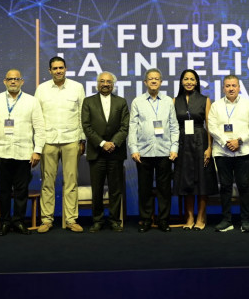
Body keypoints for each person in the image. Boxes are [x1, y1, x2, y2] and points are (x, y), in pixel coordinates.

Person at [34, 57, 86, 233]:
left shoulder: (77, 87)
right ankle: (47, 220)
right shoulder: (41, 89)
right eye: (55, 68)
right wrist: (38, 143)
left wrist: (82, 139)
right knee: (47, 182)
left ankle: (71, 219)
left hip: (71, 140)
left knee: (71, 182)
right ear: (49, 71)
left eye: (61, 68)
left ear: (66, 69)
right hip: (48, 141)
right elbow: (37, 118)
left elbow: (82, 115)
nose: (58, 71)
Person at [0, 69, 45, 236]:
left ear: (22, 82)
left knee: (21, 191)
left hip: (24, 153)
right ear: (4, 82)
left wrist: (37, 151)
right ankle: (5, 222)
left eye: (16, 79)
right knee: (4, 190)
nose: (13, 82)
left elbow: (40, 128)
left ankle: (19, 221)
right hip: (0, 151)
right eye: (10, 79)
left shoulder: (32, 101)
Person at [128, 68, 179, 232]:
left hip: (165, 151)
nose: (154, 81)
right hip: (143, 152)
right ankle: (146, 220)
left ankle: (163, 220)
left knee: (164, 189)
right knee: (145, 188)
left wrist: (174, 147)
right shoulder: (137, 101)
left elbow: (174, 126)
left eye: (157, 79)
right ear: (145, 82)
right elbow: (133, 127)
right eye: (151, 79)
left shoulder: (168, 102)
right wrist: (134, 148)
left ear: (161, 82)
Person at [208, 75, 249, 233]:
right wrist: (226, 142)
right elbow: (212, 127)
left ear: (239, 87)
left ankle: (246, 221)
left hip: (244, 152)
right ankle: (226, 220)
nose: (231, 88)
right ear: (223, 88)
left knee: (244, 186)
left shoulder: (248, 105)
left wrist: (239, 140)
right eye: (228, 86)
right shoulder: (216, 106)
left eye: (234, 85)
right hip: (222, 152)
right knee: (225, 187)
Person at [81, 72, 130, 232]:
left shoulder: (121, 102)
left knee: (116, 189)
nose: (105, 84)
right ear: (97, 84)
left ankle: (115, 220)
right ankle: (98, 221)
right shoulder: (88, 102)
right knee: (97, 189)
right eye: (102, 81)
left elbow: (124, 126)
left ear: (113, 84)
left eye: (109, 81)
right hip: (96, 152)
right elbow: (86, 126)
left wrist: (113, 143)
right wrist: (102, 143)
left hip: (116, 152)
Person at [173, 69, 215, 231]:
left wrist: (209, 148)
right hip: (182, 143)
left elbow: (209, 126)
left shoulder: (205, 100)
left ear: (196, 82)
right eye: (186, 79)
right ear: (182, 82)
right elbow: (172, 125)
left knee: (202, 181)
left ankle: (200, 217)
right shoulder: (175, 100)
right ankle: (189, 217)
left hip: (200, 141)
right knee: (186, 181)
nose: (189, 82)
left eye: (192, 79)